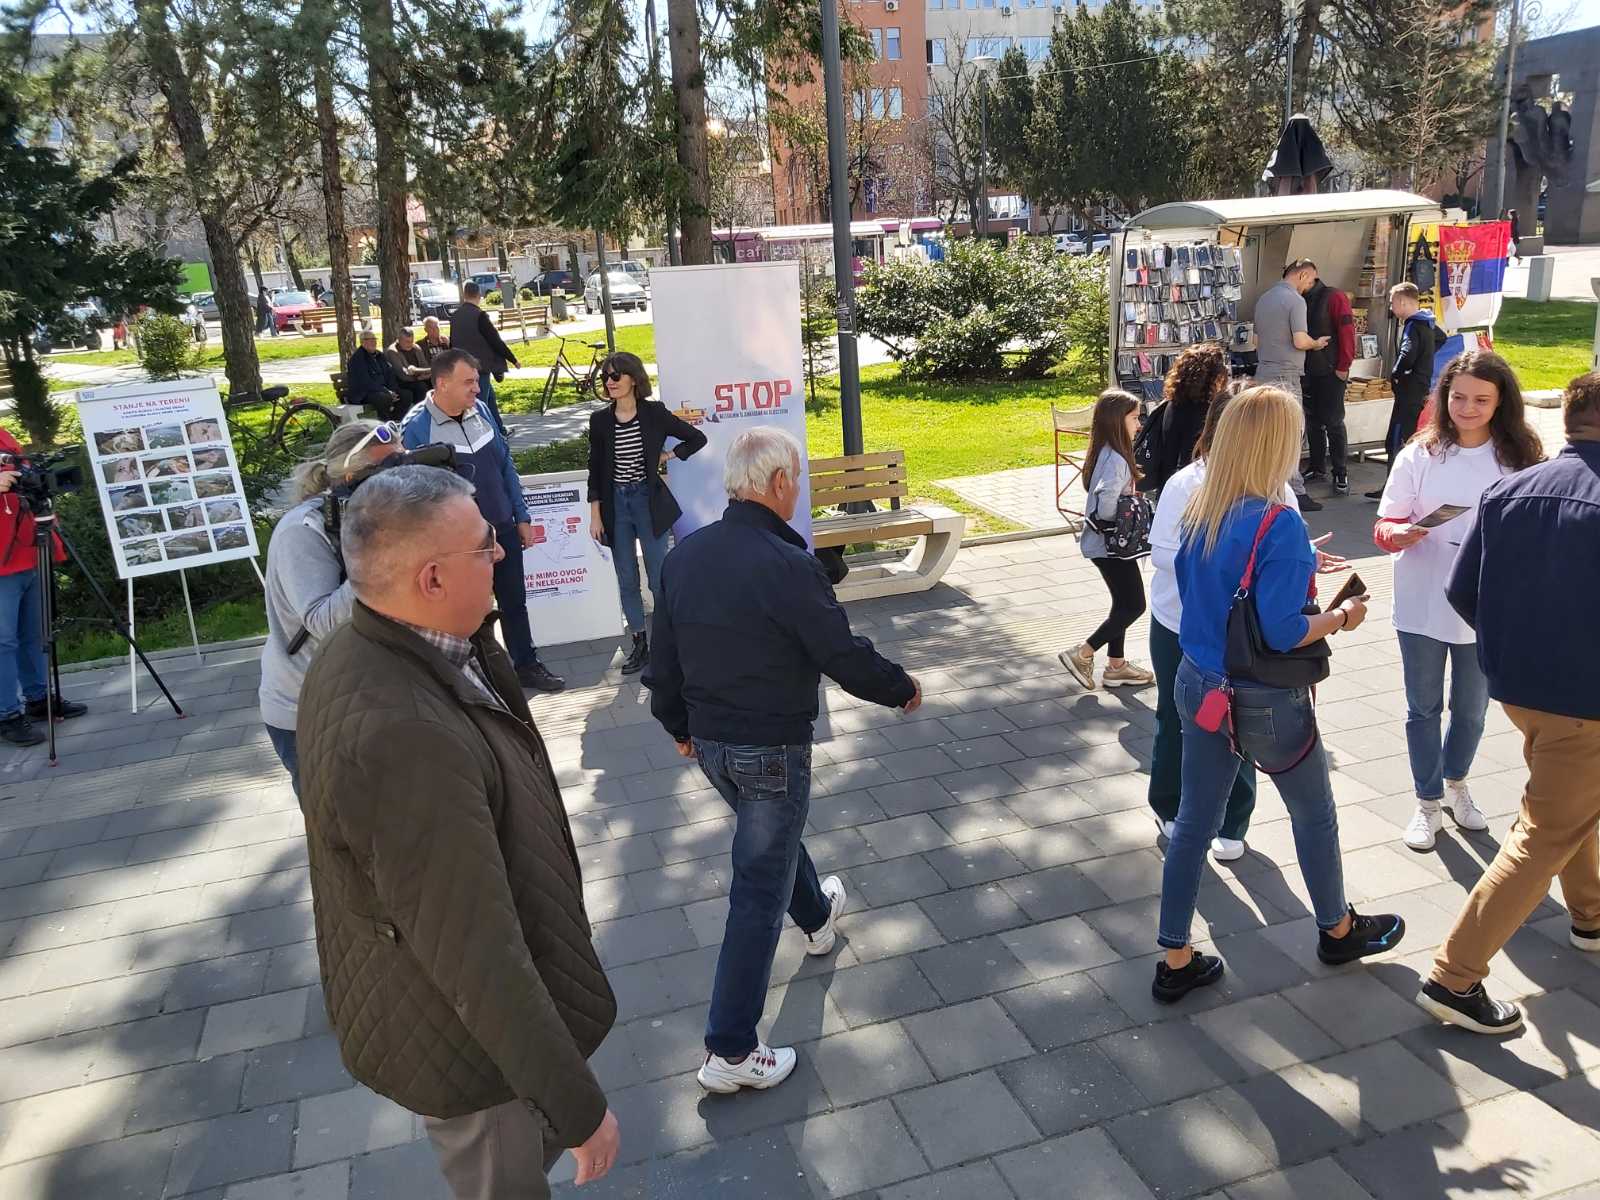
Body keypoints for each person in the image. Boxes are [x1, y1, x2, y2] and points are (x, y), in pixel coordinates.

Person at [296, 466, 620, 1197]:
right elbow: (477, 953)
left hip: (456, 1023)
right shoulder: (405, 734)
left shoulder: (380, 647)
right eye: (486, 548)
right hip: (471, 1054)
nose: (503, 552)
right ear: (433, 580)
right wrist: (578, 1109)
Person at [643, 427, 920, 1093]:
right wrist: (902, 688)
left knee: (770, 841)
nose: (798, 491)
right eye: (795, 478)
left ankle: (819, 919)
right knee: (757, 887)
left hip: (710, 742)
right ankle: (731, 1049)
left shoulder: (687, 557)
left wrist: (677, 725)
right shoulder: (788, 565)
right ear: (775, 484)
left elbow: (664, 659)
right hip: (770, 744)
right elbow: (841, 654)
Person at [1153, 385, 1404, 1004]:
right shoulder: (1279, 520)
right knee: (1313, 813)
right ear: (1276, 445)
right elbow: (1287, 631)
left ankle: (1174, 954)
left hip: (1199, 680)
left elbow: (1204, 592)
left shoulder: (1201, 507)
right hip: (1263, 697)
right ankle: (1337, 928)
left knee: (1193, 821)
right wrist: (1343, 617)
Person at [1416, 371, 1600, 1035]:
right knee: (1544, 830)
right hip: (1584, 699)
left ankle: (1589, 916)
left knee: (1570, 803)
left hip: (1522, 689)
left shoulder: (1510, 490)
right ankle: (1453, 978)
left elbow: (1466, 594)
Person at [1374, 351, 1545, 853]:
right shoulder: (1419, 454)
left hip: (1485, 607)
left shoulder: (1517, 459)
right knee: (1421, 707)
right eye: (1459, 397)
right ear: (1444, 398)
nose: (1468, 408)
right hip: (1421, 598)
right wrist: (1397, 534)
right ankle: (1426, 802)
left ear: (1501, 404)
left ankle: (1456, 783)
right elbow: (1384, 523)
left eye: (1481, 400)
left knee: (1471, 710)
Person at [1147, 387, 1315, 862]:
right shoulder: (1187, 484)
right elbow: (1163, 555)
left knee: (1241, 725)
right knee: (1180, 719)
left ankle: (1233, 820)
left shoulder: (1278, 490)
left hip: (1244, 636)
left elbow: (1277, 551)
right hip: (1182, 626)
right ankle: (1168, 805)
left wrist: (1303, 560)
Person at [401, 348, 564, 693]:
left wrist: (522, 516)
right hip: (457, 545)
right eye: (469, 382)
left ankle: (526, 665)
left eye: (477, 381)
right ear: (442, 383)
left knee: (514, 603)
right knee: (467, 611)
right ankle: (475, 679)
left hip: (503, 528)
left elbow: (506, 466)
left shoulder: (483, 410)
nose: (478, 388)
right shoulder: (416, 428)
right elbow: (417, 498)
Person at [258, 420, 399, 793]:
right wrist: (384, 551)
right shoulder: (302, 532)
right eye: (387, 469)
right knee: (340, 834)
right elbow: (322, 619)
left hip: (369, 694)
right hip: (309, 707)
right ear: (352, 477)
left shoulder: (371, 520)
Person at [586, 352, 706, 674]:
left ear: (633, 379)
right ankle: (639, 644)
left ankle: (666, 644)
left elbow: (696, 438)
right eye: (605, 378)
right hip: (615, 506)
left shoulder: (654, 414)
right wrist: (595, 514)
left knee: (658, 579)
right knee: (626, 578)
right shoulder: (600, 421)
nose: (609, 382)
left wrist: (669, 454)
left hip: (647, 503)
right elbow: (595, 469)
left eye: (615, 376)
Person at [1058, 389, 1155, 691]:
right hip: (1111, 545)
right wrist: (1129, 516)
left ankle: (1117, 666)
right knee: (1135, 605)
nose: (1139, 425)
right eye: (1135, 418)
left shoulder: (1104, 450)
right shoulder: (1117, 459)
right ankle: (1083, 653)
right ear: (1117, 421)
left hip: (1102, 545)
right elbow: (1106, 505)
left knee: (1122, 603)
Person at [0, 428, 86, 747]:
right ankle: (7, 714)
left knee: (34, 632)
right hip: (2, 560)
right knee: (3, 641)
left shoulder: (3, 435)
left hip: (28, 547)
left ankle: (37, 699)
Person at [1252, 259, 1331, 513]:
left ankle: (1265, 486)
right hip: (1286, 376)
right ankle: (1295, 491)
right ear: (1302, 274)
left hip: (1263, 372)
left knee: (1266, 435)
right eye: (1310, 280)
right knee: (1291, 434)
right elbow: (1299, 340)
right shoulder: (1296, 301)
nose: (1310, 286)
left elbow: (1255, 341)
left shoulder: (1264, 298)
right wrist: (1316, 343)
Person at [1366, 282, 1446, 499]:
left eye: (1392, 303)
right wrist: (1426, 358)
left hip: (1409, 389)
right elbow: (1442, 338)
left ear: (1402, 301)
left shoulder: (1412, 325)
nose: (1391, 308)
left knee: (1397, 439)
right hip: (1420, 386)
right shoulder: (1427, 322)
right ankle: (1403, 486)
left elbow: (1407, 354)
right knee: (1407, 435)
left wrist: (1396, 374)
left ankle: (1394, 488)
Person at [1141, 343, 1229, 494]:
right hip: (1192, 491)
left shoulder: (1171, 405)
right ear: (1213, 377)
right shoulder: (1207, 412)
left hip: (1167, 486)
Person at [1301, 270, 1356, 495]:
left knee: (1333, 421)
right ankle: (1317, 466)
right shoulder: (1301, 299)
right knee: (1313, 420)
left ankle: (1340, 472)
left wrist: (1343, 366)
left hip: (1331, 369)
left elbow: (1347, 331)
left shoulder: (1334, 297)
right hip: (1310, 370)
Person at [447, 280, 520, 433]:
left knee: (490, 400)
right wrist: (512, 359)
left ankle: (499, 430)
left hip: (461, 366)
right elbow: (495, 340)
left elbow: (452, 343)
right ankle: (481, 434)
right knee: (480, 403)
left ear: (464, 294)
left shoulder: (455, 316)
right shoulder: (479, 316)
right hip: (480, 367)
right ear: (479, 295)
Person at [345, 330, 404, 421]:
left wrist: (392, 389)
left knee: (406, 395)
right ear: (363, 342)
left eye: (374, 339)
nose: (374, 342)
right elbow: (366, 382)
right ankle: (384, 422)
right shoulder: (358, 358)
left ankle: (395, 420)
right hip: (363, 393)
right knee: (383, 398)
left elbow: (390, 372)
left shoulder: (379, 355)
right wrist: (387, 391)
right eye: (370, 339)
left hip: (381, 390)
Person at [385, 328, 433, 410]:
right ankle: (421, 412)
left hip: (419, 378)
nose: (410, 344)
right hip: (401, 382)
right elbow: (402, 374)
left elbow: (424, 365)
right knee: (421, 387)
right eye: (407, 342)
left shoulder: (416, 348)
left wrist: (422, 374)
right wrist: (419, 377)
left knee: (436, 382)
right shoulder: (392, 351)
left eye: (411, 341)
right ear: (399, 340)